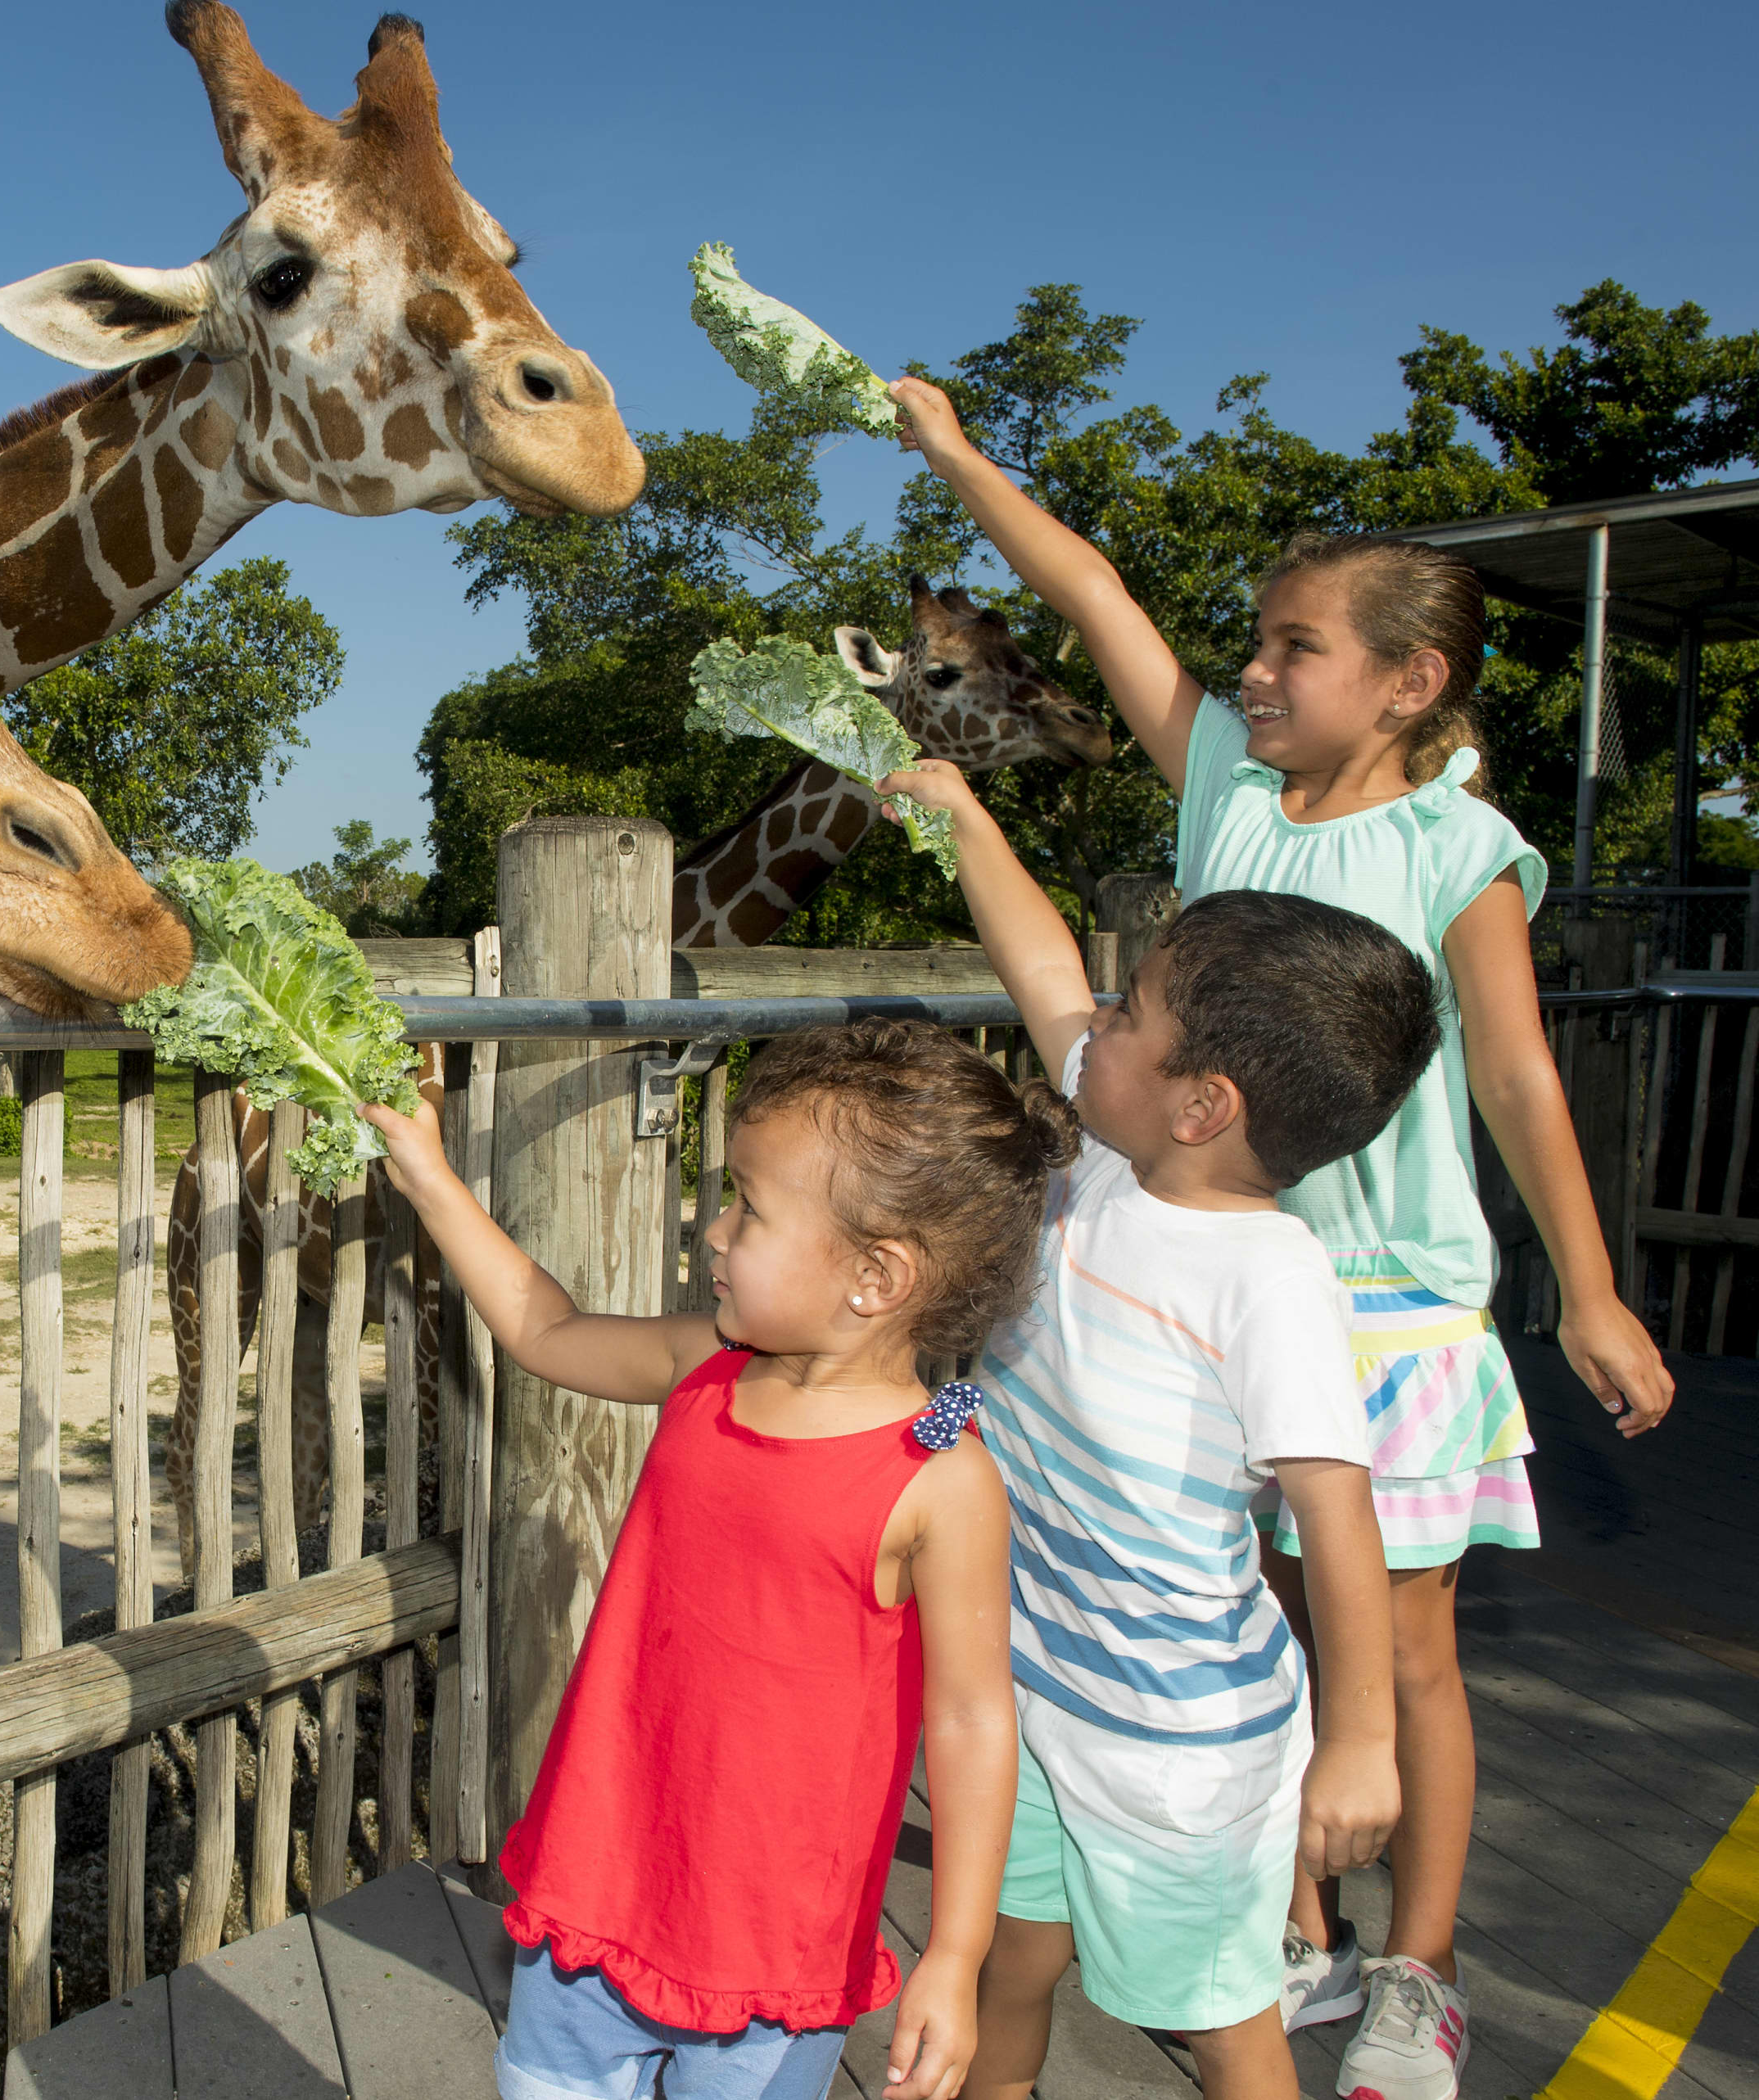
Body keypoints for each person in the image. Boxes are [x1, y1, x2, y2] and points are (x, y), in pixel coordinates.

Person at [893, 373, 1676, 2100]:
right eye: (1254, 639)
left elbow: (1521, 1071)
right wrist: (954, 458)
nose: (1253, 669)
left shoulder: (1460, 843)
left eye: (1294, 645)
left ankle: (1422, 1962)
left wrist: (1594, 1286)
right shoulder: (1227, 793)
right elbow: (1095, 594)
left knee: (1392, 1655)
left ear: (1410, 682)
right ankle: (1287, 1920)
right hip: (1203, 1275)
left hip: (1385, 1304)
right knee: (1228, 1605)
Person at [362, 1018, 1047, 2100]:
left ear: (876, 1274)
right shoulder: (707, 1365)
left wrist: (955, 1957)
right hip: (601, 1881)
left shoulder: (942, 1479)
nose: (715, 1229)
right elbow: (545, 1327)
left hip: (773, 1950)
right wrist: (431, 1176)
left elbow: (973, 1720)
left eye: (748, 1207)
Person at [880, 760, 1430, 2100]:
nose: (1094, 1026)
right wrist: (965, 818)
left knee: (1218, 2014)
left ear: (1205, 1105)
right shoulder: (1117, 1149)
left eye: (1132, 1012)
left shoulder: (1269, 1278)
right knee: (1012, 1954)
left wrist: (1362, 1741)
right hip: (1030, 1676)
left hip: (1177, 1740)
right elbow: (1040, 966)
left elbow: (1339, 1512)